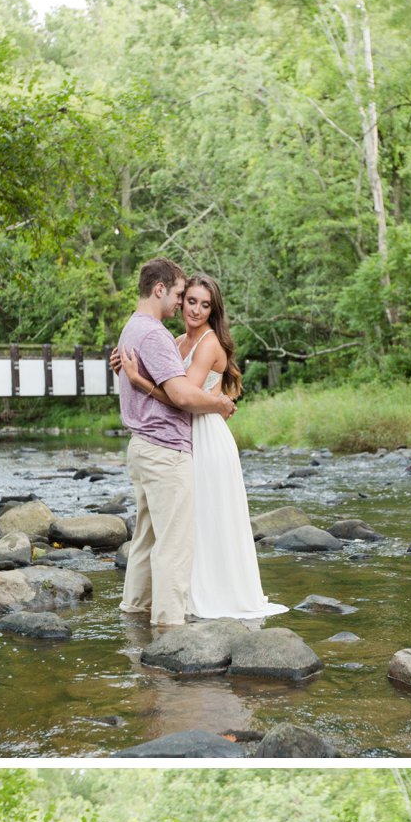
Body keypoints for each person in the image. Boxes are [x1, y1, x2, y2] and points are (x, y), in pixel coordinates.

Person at [117, 273, 285, 620]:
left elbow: (183, 398)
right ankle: (182, 598)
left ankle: (209, 595)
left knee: (205, 519)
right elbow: (173, 386)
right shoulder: (175, 340)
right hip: (184, 433)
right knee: (187, 523)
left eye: (204, 305)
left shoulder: (208, 344)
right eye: (190, 300)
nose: (194, 309)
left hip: (206, 433)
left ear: (213, 310)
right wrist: (127, 369)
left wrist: (139, 381)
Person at [116, 259, 237, 629]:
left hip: (143, 446)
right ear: (159, 290)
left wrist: (140, 380)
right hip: (165, 449)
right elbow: (183, 395)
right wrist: (217, 403)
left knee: (147, 538)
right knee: (174, 544)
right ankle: (169, 626)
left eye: (198, 301)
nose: (183, 303)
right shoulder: (155, 335)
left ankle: (135, 615)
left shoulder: (133, 329)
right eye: (181, 295)